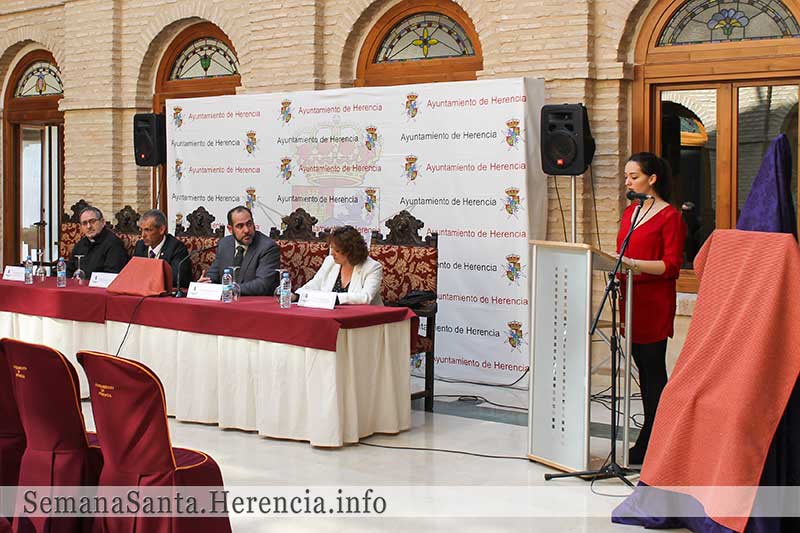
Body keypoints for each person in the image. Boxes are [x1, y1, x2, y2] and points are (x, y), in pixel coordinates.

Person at [615, 152, 686, 466]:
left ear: (652, 178)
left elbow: (671, 266)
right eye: (627, 176)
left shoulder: (670, 216)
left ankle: (655, 440)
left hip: (654, 303)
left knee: (653, 371)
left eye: (634, 176)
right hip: (630, 300)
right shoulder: (631, 211)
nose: (627, 182)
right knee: (643, 370)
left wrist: (632, 264)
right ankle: (656, 436)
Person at [199, 206, 280, 296]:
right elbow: (214, 273)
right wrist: (206, 283)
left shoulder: (267, 247)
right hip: (227, 301)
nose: (246, 230)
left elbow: (262, 285)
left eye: (249, 224)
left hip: (254, 303)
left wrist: (229, 289)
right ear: (230, 229)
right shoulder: (224, 244)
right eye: (240, 226)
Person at [297, 226, 383, 305]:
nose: (332, 253)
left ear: (351, 251)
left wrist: (333, 298)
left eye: (337, 251)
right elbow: (314, 285)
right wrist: (296, 296)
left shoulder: (372, 267)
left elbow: (365, 297)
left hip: (365, 318)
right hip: (331, 314)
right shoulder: (330, 261)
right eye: (332, 249)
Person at [132, 209, 191, 288]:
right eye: (141, 230)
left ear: (161, 230)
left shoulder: (176, 247)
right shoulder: (140, 246)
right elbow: (133, 273)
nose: (143, 235)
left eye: (147, 230)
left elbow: (176, 278)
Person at [66, 206, 129, 278]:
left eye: (92, 221)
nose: (88, 226)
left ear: (102, 222)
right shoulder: (80, 244)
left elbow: (111, 275)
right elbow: (69, 269)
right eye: (84, 223)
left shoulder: (114, 244)